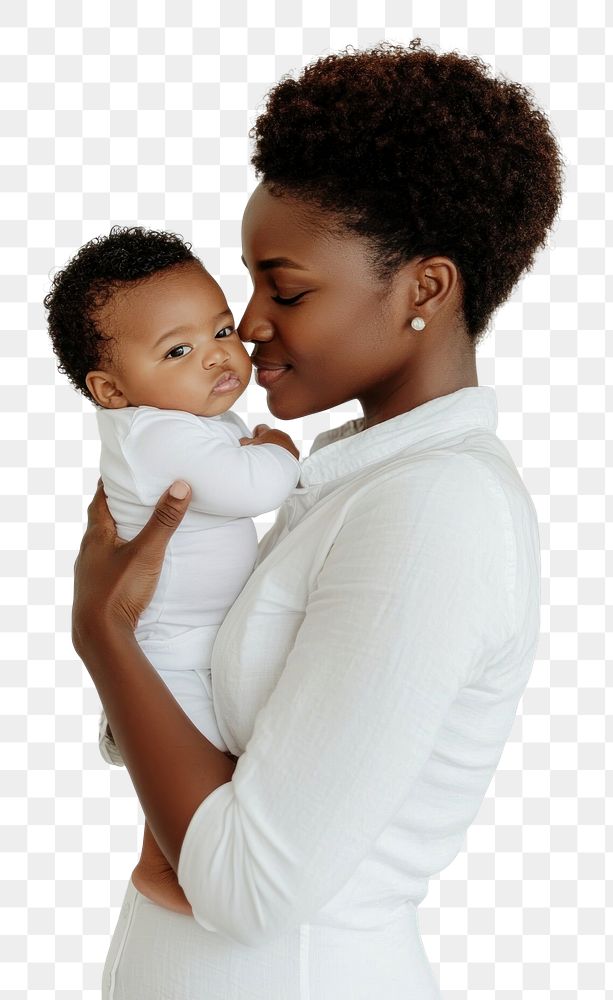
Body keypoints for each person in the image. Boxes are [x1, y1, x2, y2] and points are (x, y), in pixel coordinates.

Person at [71, 39, 564, 999]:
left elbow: (250, 889)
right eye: (245, 287)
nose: (248, 325)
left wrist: (104, 635)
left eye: (285, 289)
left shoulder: (434, 513)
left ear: (424, 287)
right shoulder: (351, 481)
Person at [44, 226, 301, 912]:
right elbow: (254, 489)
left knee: (212, 769)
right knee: (197, 778)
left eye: (220, 330)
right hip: (170, 651)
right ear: (112, 388)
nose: (218, 357)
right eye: (178, 350)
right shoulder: (156, 434)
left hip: (189, 642)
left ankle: (164, 859)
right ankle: (164, 867)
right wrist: (278, 451)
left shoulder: (174, 417)